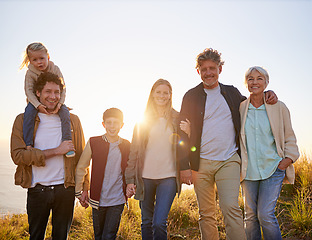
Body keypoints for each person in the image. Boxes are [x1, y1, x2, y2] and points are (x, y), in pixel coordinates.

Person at [177, 48, 277, 240]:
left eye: (212, 68)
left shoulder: (231, 93)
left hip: (228, 160)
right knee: (206, 213)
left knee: (231, 207)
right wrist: (184, 167)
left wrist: (267, 93)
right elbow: (181, 134)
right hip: (200, 163)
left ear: (220, 69)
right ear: (198, 71)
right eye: (204, 68)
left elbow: (252, 103)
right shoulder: (190, 96)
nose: (208, 72)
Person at [10, 72, 88, 240]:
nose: (53, 97)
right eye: (48, 92)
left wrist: (84, 188)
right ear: (38, 93)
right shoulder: (23, 120)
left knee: (61, 237)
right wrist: (56, 151)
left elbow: (82, 158)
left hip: (65, 190)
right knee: (36, 236)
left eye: (57, 92)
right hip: (38, 190)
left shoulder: (72, 120)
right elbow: (18, 156)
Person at [240, 66, 299, 240]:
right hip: (248, 171)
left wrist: (286, 161)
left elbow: (289, 136)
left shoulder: (278, 107)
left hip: (273, 168)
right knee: (250, 217)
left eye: (259, 78)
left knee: (265, 214)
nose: (255, 82)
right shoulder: (241, 108)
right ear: (246, 83)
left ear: (266, 82)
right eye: (250, 78)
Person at [125, 79, 181, 240]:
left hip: (169, 178)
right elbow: (133, 152)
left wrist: (189, 132)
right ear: (152, 94)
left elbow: (186, 145)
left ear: (170, 95)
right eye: (158, 92)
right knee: (146, 222)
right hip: (145, 179)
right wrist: (130, 180)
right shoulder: (143, 120)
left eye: (166, 92)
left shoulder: (177, 118)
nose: (162, 96)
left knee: (159, 222)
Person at [75, 108, 131, 240]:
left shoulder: (127, 145)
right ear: (103, 124)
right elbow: (82, 167)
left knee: (109, 236)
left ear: (122, 125)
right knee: (99, 236)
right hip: (97, 200)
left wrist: (131, 185)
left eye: (116, 123)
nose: (112, 126)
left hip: (117, 199)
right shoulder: (94, 142)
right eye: (109, 122)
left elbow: (132, 168)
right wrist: (80, 191)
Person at [20, 42, 74, 157]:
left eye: (42, 58)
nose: (39, 62)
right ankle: (29, 144)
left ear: (48, 57)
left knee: (65, 113)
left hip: (55, 102)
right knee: (29, 114)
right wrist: (38, 105)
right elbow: (29, 91)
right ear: (30, 60)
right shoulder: (30, 73)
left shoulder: (55, 69)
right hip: (35, 101)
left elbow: (63, 88)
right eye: (34, 60)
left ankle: (67, 143)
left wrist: (60, 104)